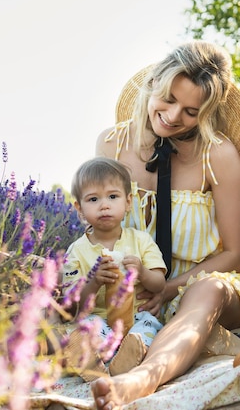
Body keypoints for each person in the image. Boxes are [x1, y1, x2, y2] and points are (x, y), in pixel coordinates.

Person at [91, 40, 240, 409]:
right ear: (153, 84)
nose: (172, 115)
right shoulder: (111, 146)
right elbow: (102, 229)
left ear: (206, 113)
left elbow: (236, 254)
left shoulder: (219, 154)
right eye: (168, 98)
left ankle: (139, 381)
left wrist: (170, 287)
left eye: (190, 111)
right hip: (142, 285)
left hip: (207, 282)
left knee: (207, 289)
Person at [61, 156, 167, 380]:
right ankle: (96, 362)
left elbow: (159, 284)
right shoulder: (76, 251)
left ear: (128, 202)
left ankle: (126, 358)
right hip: (100, 322)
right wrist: (93, 281)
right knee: (85, 329)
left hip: (137, 317)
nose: (104, 205)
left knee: (149, 327)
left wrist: (142, 272)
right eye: (93, 199)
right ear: (79, 208)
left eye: (112, 196)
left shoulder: (141, 240)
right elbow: (70, 303)